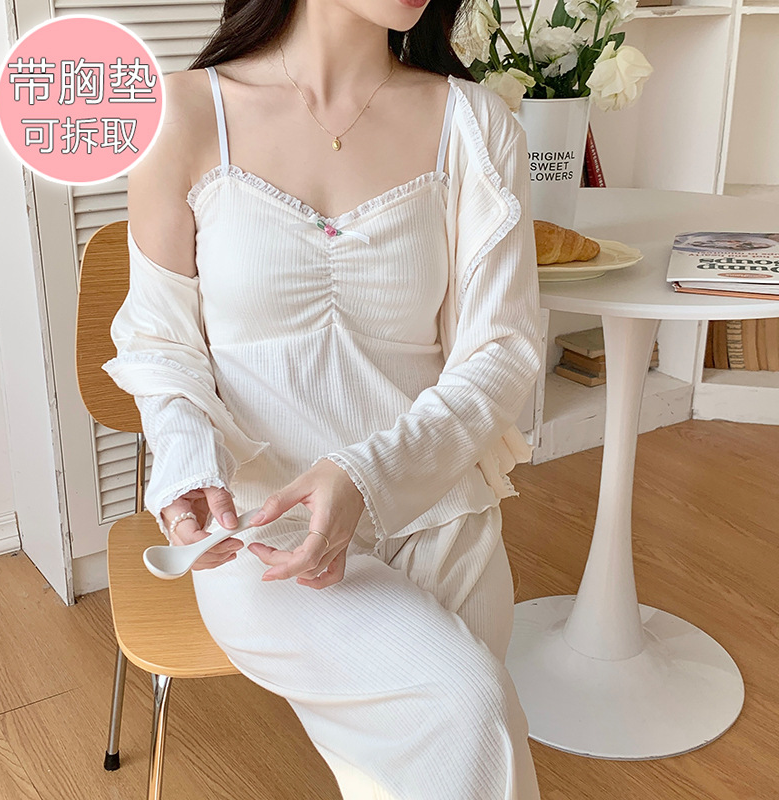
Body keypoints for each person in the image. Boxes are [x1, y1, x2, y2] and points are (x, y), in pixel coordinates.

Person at [102, 0, 544, 797]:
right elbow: (160, 345)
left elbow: (501, 354)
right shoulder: (183, 115)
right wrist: (187, 463)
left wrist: (367, 477)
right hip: (264, 537)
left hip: (440, 513)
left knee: (453, 750)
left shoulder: (476, 125)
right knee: (468, 705)